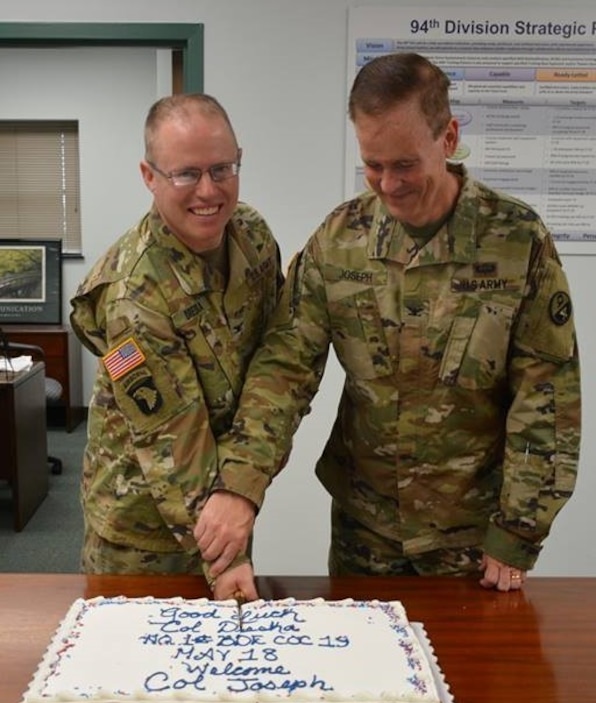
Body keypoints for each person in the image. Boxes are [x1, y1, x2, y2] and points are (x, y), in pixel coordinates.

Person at [194, 52, 581, 596]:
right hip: (364, 530)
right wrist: (241, 484)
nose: (388, 183)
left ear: (447, 138)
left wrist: (518, 530)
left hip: (472, 536)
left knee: (475, 678)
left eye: (404, 164)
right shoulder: (340, 239)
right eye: (373, 165)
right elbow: (284, 369)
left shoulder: (517, 242)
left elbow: (547, 397)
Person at [70, 93, 283, 597]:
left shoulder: (251, 235)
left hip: (223, 508)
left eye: (222, 169)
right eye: (186, 174)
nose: (208, 191)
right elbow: (172, 443)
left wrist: (241, 491)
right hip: (140, 535)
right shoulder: (130, 295)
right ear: (150, 176)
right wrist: (226, 558)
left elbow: (274, 361)